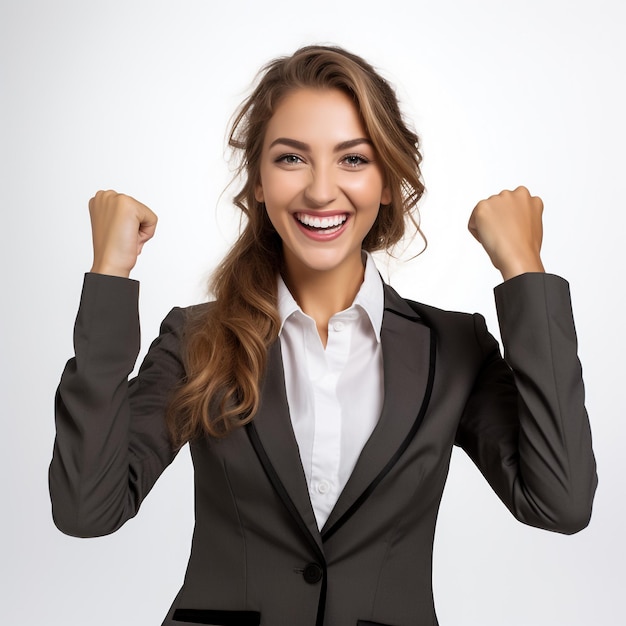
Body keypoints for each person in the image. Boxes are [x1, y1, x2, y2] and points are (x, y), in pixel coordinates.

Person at [49, 45, 597, 626]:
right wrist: (109, 274)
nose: (319, 191)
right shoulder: (197, 338)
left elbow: (559, 502)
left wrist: (524, 271)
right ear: (257, 182)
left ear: (388, 182)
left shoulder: (453, 348)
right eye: (291, 159)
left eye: (353, 160)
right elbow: (88, 508)